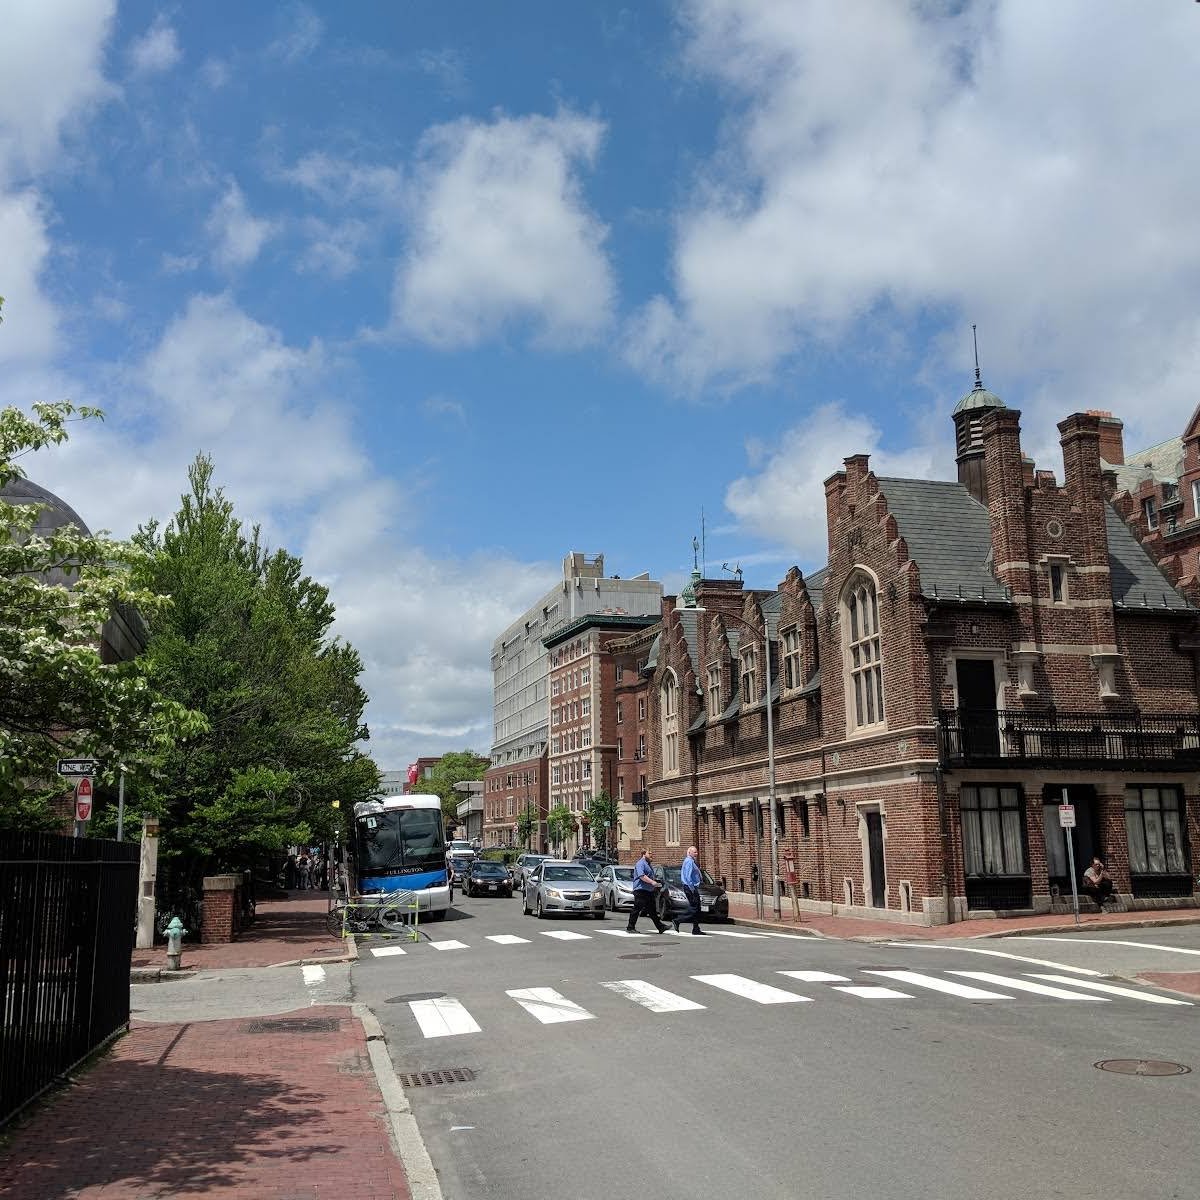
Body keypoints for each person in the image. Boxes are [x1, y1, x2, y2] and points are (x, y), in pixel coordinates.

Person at [626, 847, 668, 934]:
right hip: (640, 890)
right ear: (644, 854)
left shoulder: (648, 864)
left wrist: (655, 883)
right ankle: (630, 927)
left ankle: (660, 927)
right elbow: (642, 876)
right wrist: (652, 882)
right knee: (637, 908)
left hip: (648, 890)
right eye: (650, 853)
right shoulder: (640, 864)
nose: (651, 855)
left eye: (652, 853)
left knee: (652, 910)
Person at [674, 845, 708, 935]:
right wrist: (692, 888)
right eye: (694, 852)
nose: (696, 854)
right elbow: (688, 877)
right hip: (690, 887)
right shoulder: (689, 861)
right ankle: (678, 920)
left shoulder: (690, 861)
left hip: (691, 887)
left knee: (697, 908)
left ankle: (696, 928)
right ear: (689, 852)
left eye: (696, 852)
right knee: (694, 908)